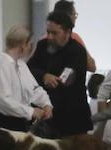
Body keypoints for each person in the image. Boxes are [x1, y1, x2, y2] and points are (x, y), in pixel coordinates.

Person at [27, 9, 92, 137]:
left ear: (68, 32)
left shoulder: (77, 52)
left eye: (55, 33)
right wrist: (44, 76)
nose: (50, 37)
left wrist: (48, 79)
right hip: (46, 116)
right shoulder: (42, 46)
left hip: (71, 119)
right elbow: (29, 69)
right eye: (48, 32)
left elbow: (65, 80)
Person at [52, 0, 98, 71]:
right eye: (74, 14)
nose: (75, 17)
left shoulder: (43, 38)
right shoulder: (74, 37)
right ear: (68, 16)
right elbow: (91, 66)